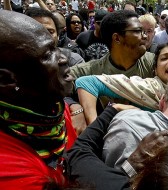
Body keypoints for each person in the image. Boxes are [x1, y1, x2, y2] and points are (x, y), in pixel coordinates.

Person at [0, 10, 75, 189]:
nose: (64, 58)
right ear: (6, 80)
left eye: (55, 47)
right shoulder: (8, 170)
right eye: (47, 55)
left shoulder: (52, 106)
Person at [70, 10, 155, 80]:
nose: (145, 36)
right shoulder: (91, 72)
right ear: (117, 38)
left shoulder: (154, 64)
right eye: (138, 31)